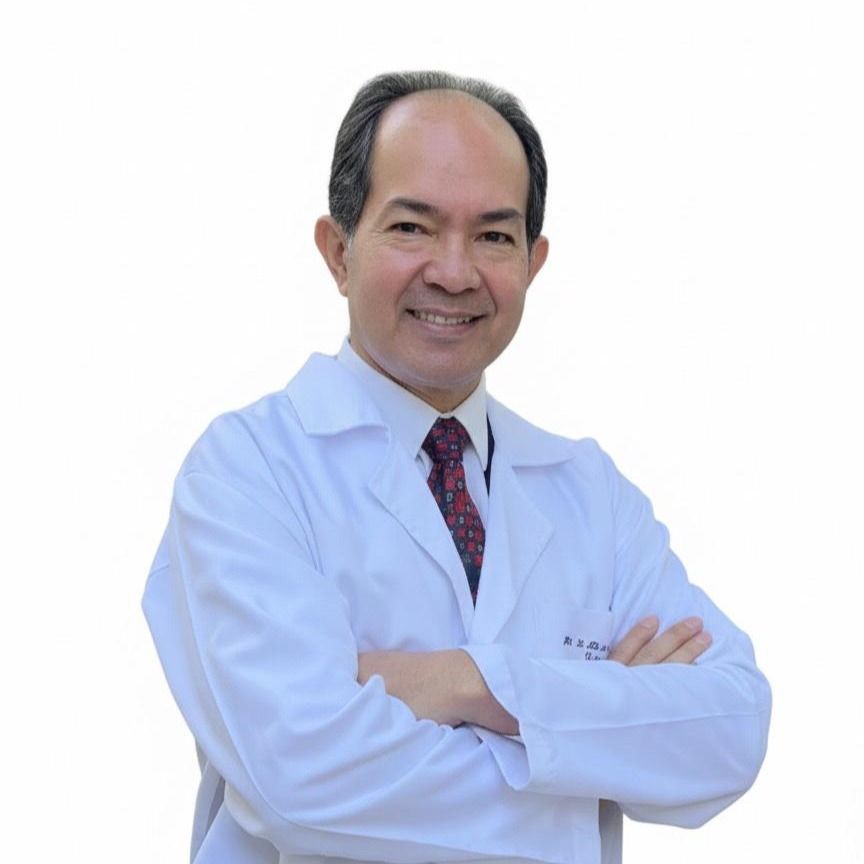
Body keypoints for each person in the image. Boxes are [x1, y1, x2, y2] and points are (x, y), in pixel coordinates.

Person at [142, 70, 771, 864]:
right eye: (412, 227)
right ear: (338, 252)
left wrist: (468, 682)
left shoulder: (591, 494)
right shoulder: (246, 472)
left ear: (534, 264)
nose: (454, 271)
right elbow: (299, 779)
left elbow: (729, 728)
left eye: (494, 236)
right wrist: (586, 766)